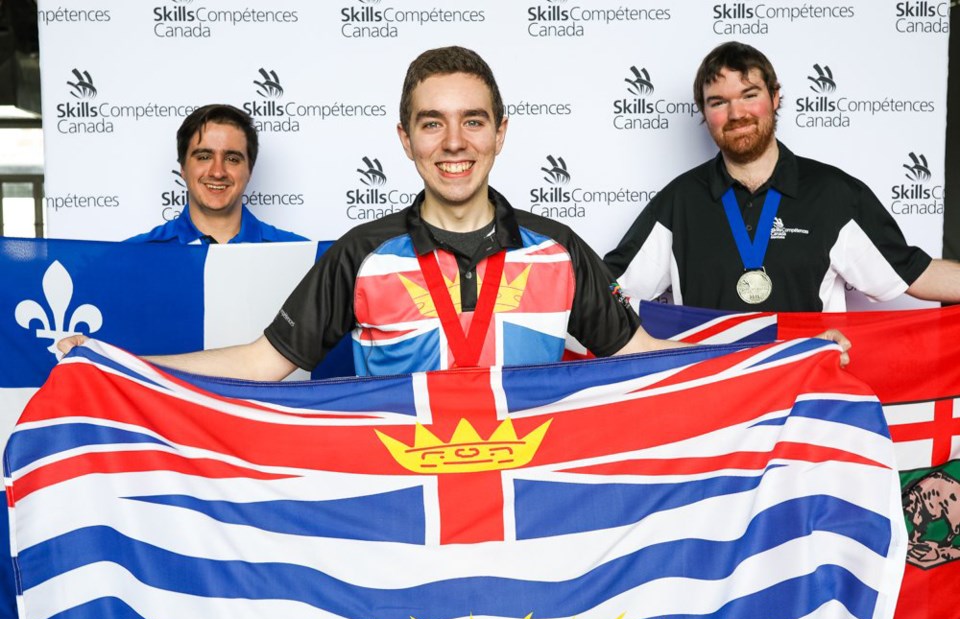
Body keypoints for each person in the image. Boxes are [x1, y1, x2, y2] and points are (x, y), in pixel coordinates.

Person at [61, 46, 703, 379]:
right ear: (405, 138)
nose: (454, 143)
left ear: (501, 133)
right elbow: (262, 364)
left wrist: (769, 366)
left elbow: (645, 357)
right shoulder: (360, 254)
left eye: (472, 121)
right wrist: (120, 362)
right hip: (396, 521)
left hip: (531, 513)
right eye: (433, 124)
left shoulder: (557, 248)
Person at [604, 41, 960, 312]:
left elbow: (916, 274)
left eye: (749, 95)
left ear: (775, 97)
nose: (736, 113)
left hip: (806, 399)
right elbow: (608, 291)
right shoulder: (679, 201)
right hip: (713, 398)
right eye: (718, 102)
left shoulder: (833, 194)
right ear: (704, 111)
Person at [127, 104, 307, 244]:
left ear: (250, 170)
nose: (218, 172)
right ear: (182, 168)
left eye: (232, 159)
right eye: (204, 157)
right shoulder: (134, 255)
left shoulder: (301, 257)